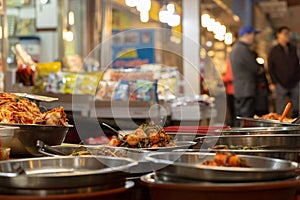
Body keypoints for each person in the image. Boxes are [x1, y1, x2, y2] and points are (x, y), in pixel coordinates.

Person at [230, 25, 263, 122]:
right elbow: (255, 68)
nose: (254, 38)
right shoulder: (242, 49)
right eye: (253, 35)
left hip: (241, 89)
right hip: (246, 89)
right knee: (246, 119)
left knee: (241, 118)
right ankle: (244, 138)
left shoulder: (237, 48)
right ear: (247, 35)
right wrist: (259, 68)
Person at [268, 26, 300, 118]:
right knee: (281, 110)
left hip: (295, 83)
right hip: (280, 84)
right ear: (279, 35)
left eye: (288, 33)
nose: (287, 36)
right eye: (285, 33)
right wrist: (273, 82)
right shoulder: (273, 51)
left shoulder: (294, 49)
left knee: (297, 108)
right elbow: (270, 68)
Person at [222, 50, 235, 127]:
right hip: (234, 90)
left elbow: (230, 76)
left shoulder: (231, 61)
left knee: (233, 114)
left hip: (232, 91)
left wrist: (222, 78)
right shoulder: (233, 60)